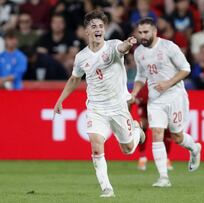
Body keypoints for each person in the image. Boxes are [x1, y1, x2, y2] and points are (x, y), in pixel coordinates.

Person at [53, 10, 145, 198]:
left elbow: (123, 49)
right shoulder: (81, 57)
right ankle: (107, 188)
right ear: (86, 31)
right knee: (96, 145)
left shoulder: (113, 46)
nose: (98, 29)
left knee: (127, 149)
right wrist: (60, 100)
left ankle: (137, 130)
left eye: (101, 26)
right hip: (96, 107)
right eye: (94, 26)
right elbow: (74, 79)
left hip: (118, 105)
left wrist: (129, 43)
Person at [130, 17, 201, 187]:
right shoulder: (139, 52)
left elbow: (186, 68)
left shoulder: (169, 47)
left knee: (177, 136)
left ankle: (195, 149)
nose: (143, 36)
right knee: (156, 133)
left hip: (175, 95)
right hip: (155, 99)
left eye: (146, 32)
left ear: (154, 31)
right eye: (140, 33)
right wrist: (134, 92)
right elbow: (141, 76)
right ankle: (163, 178)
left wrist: (168, 83)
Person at [133, 85, 174, 171]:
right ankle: (142, 158)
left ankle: (165, 159)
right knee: (143, 127)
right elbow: (140, 79)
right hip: (145, 99)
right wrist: (137, 94)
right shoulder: (146, 75)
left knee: (166, 129)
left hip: (160, 101)